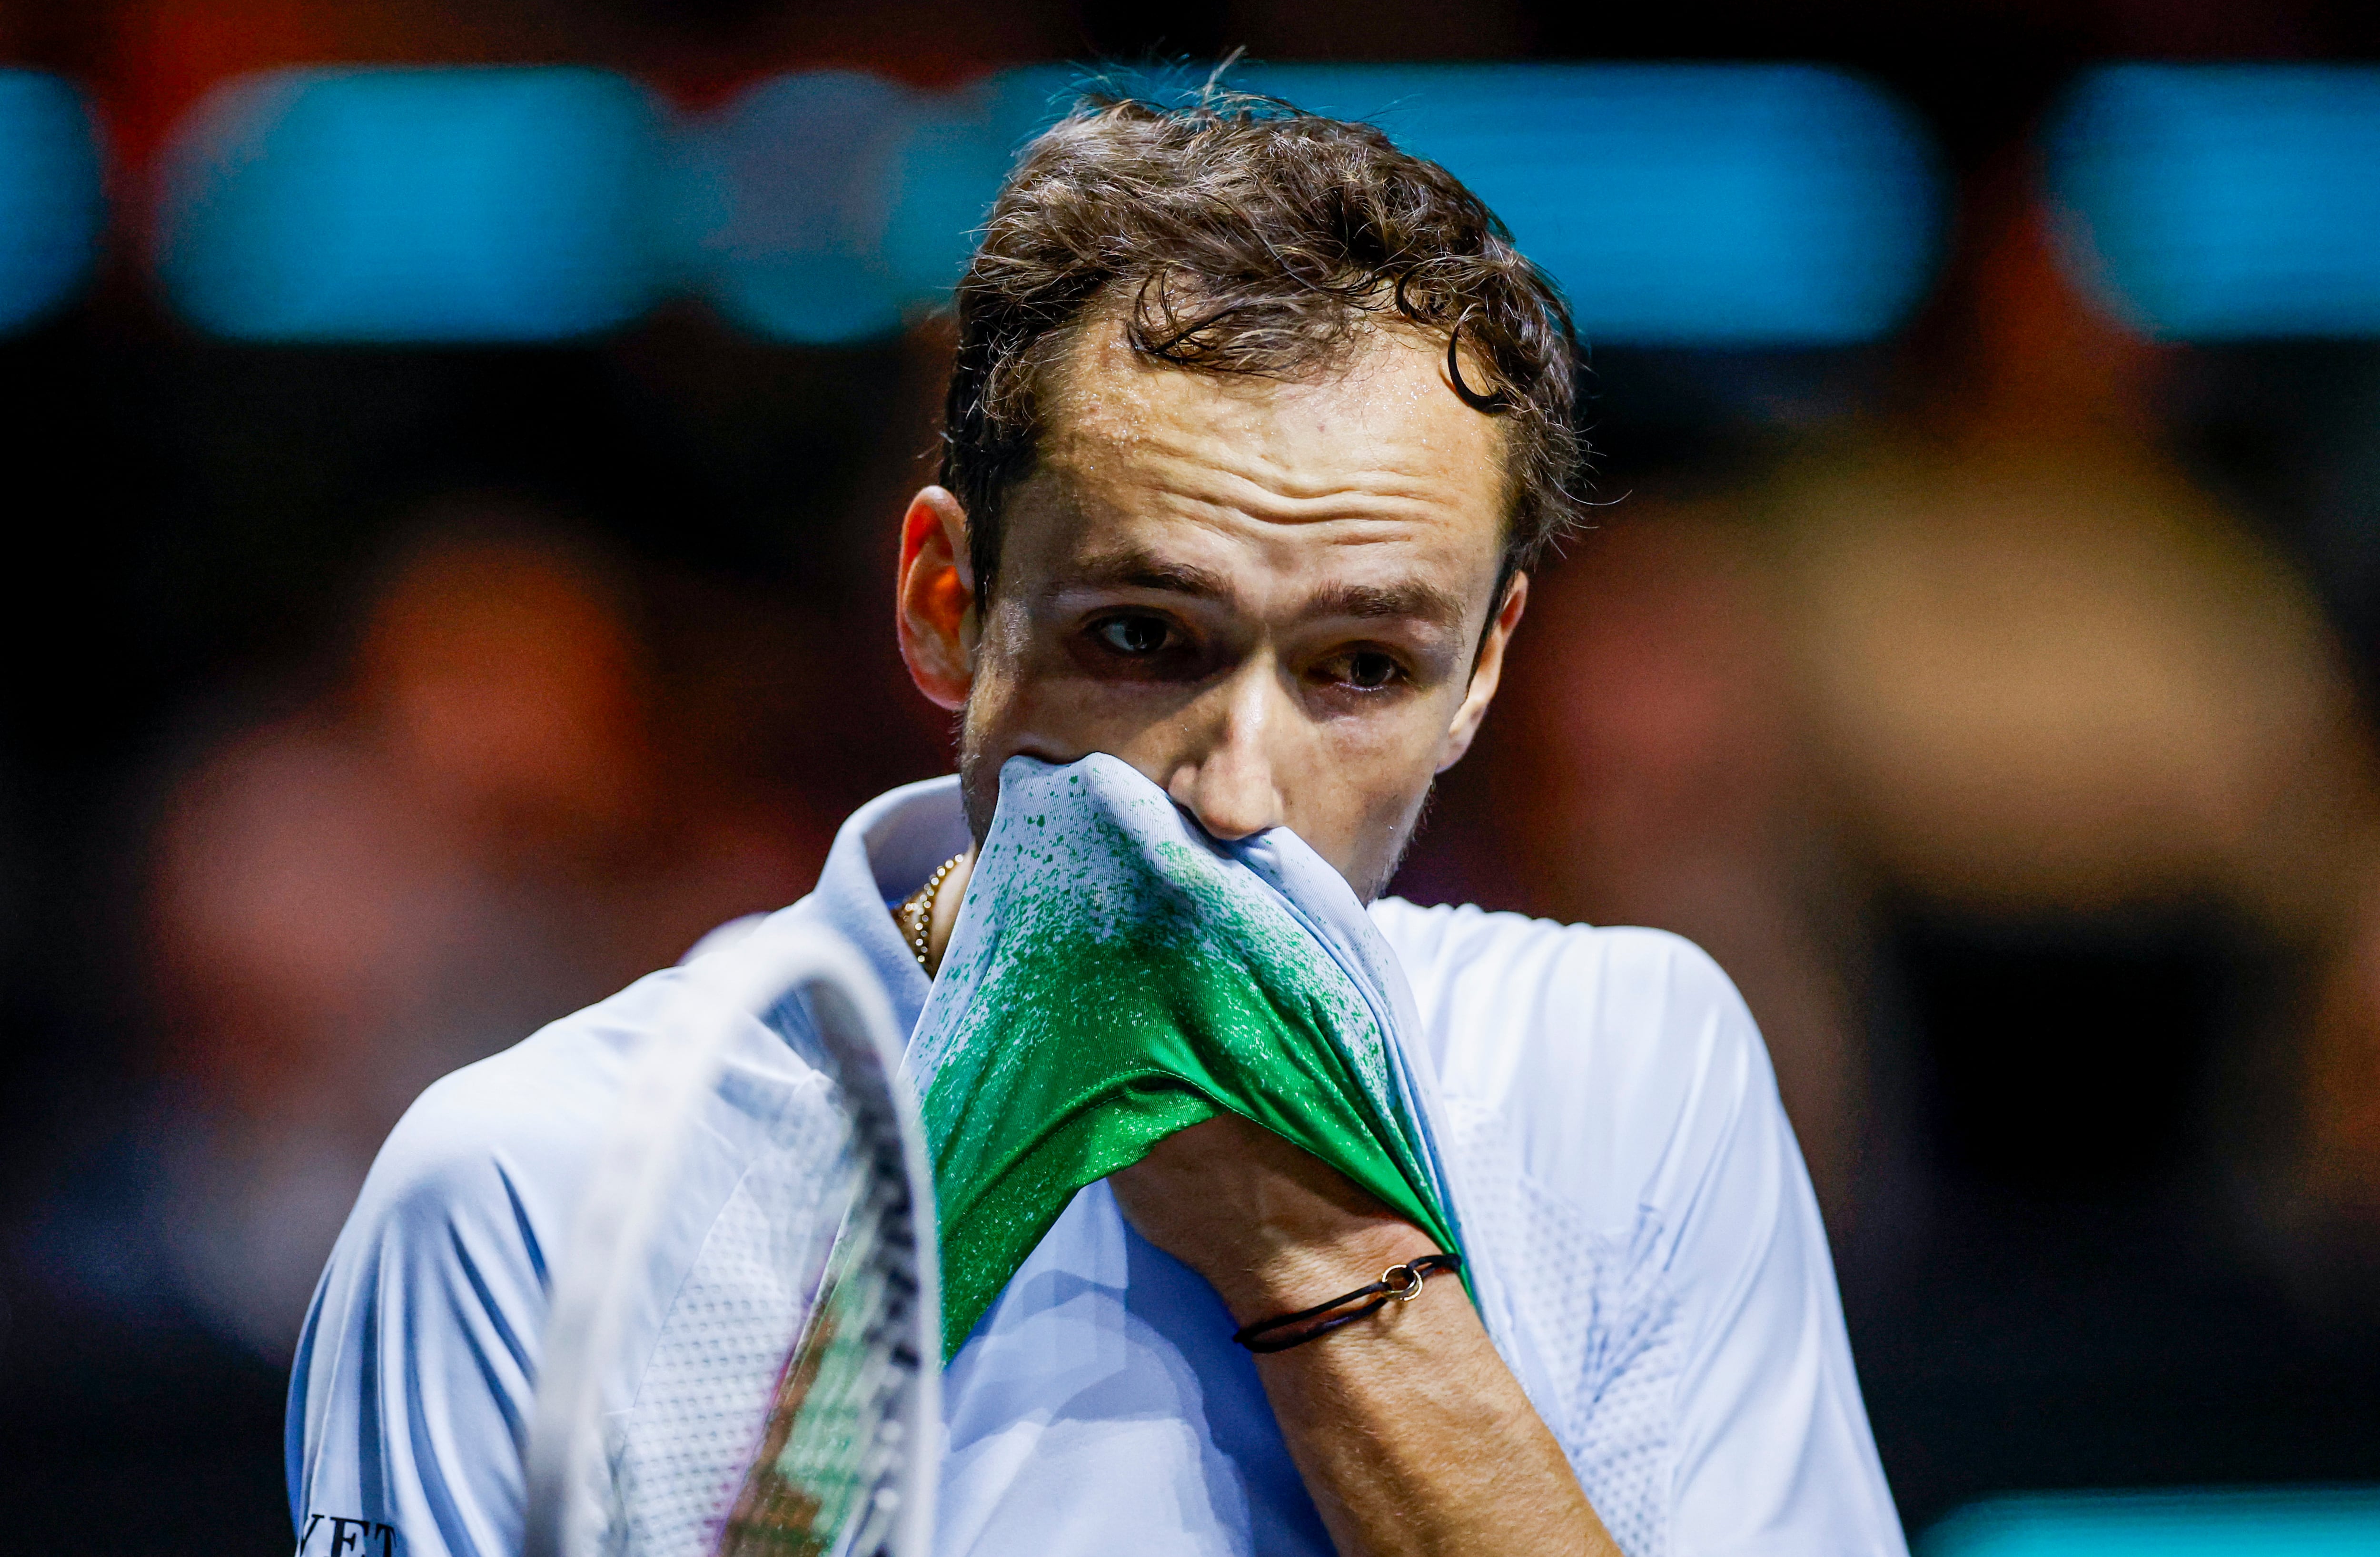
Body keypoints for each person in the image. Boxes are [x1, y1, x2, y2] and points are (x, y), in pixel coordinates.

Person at [288, 93, 1904, 1557]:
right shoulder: (522, 1193)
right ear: (945, 606)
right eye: (1143, 637)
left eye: (1363, 666)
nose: (1235, 791)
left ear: (1482, 676)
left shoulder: (1635, 1071)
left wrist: (1327, 1270)